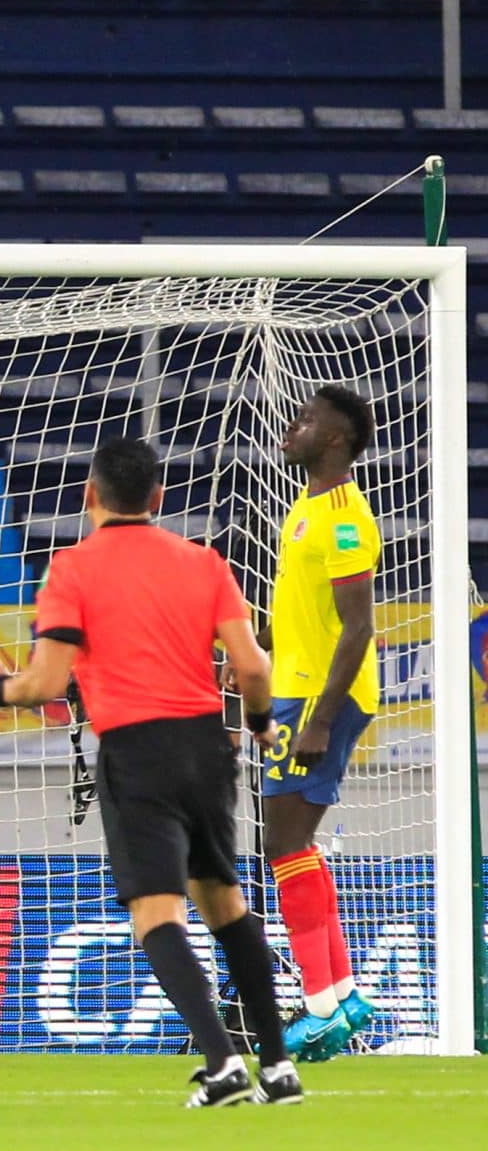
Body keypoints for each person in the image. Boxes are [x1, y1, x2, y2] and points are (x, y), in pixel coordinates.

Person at [0, 437, 299, 1107]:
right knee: (225, 902)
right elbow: (254, 667)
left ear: (89, 495)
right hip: (209, 748)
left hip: (137, 750)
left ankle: (221, 1064)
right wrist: (263, 721)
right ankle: (278, 1067)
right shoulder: (203, 562)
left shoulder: (72, 570)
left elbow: (47, 683)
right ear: (157, 499)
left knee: (156, 914)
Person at [261, 387, 380, 1061]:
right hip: (297, 689)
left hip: (318, 700)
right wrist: (262, 657)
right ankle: (337, 996)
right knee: (292, 844)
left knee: (285, 842)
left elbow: (359, 625)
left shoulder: (343, 517)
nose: (293, 426)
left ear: (335, 440)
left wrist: (320, 719)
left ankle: (323, 1004)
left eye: (307, 421)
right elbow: (309, 616)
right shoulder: (307, 508)